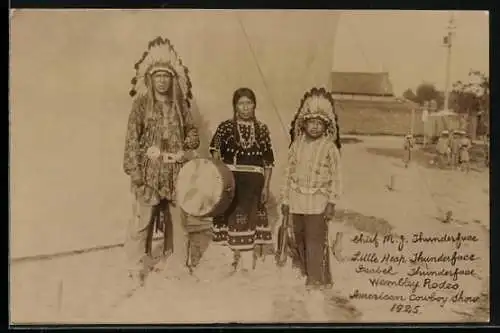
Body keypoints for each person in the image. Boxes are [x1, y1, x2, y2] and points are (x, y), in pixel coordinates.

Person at [123, 37, 200, 283]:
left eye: (166, 76)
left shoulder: (180, 106)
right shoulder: (141, 105)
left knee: (178, 220)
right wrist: (135, 171)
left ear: (172, 78)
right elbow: (132, 139)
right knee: (142, 220)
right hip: (149, 171)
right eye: (158, 77)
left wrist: (187, 145)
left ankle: (177, 263)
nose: (162, 81)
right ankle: (136, 267)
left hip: (176, 171)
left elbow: (192, 132)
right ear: (150, 78)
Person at [281, 87, 342, 290]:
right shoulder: (296, 145)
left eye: (319, 124)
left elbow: (336, 176)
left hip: (318, 201)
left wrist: (332, 202)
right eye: (311, 123)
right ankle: (307, 270)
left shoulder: (329, 148)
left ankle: (318, 278)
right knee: (299, 237)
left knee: (316, 238)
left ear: (326, 126)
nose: (315, 127)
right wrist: (285, 200)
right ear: (303, 124)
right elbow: (288, 173)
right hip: (298, 199)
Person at [209, 87, 275, 273]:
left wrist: (266, 187)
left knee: (249, 219)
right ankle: (229, 260)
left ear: (254, 105)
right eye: (241, 103)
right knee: (227, 217)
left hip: (253, 183)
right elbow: (215, 151)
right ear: (235, 106)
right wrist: (219, 175)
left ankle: (247, 263)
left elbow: (268, 162)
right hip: (231, 181)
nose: (245, 107)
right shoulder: (226, 127)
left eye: (249, 103)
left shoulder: (262, 129)